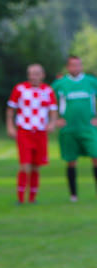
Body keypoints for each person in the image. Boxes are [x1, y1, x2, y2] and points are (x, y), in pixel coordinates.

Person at [6, 64, 57, 204]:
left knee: (36, 165)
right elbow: (11, 109)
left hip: (40, 132)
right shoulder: (20, 89)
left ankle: (32, 198)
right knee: (25, 165)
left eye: (36, 73)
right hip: (24, 131)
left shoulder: (48, 90)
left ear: (43, 75)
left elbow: (53, 110)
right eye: (31, 73)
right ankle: (20, 198)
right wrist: (10, 126)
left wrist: (52, 123)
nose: (33, 76)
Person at [51, 55, 97, 202]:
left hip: (88, 127)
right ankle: (73, 195)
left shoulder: (91, 81)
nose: (75, 68)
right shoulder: (60, 84)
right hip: (69, 129)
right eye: (72, 65)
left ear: (81, 66)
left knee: (95, 156)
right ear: (68, 67)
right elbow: (48, 102)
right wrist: (55, 119)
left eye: (78, 65)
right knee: (71, 161)